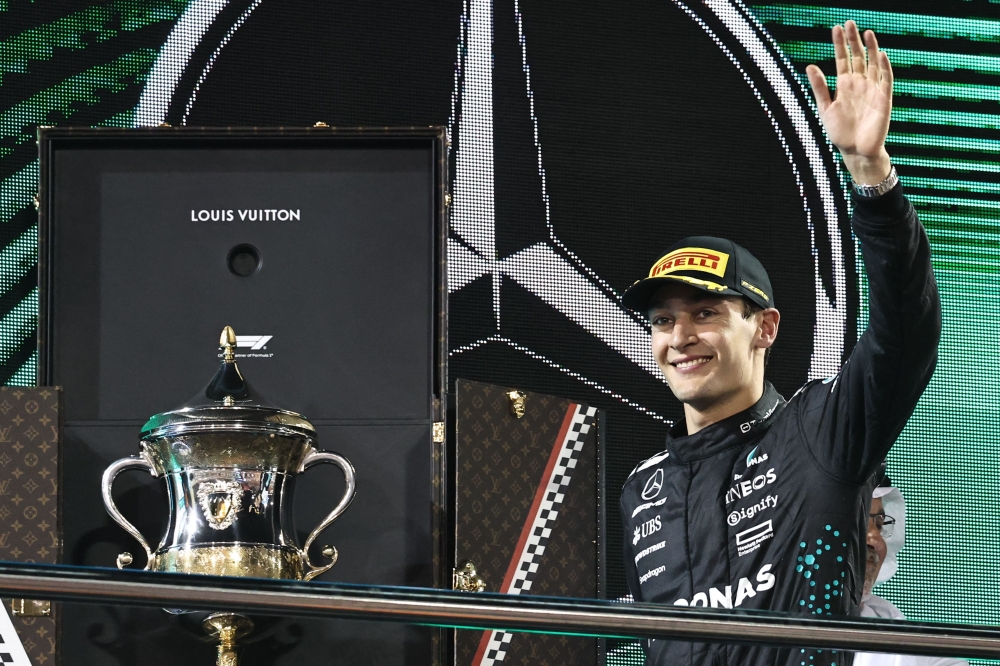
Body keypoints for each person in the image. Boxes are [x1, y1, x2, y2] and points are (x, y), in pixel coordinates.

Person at [618, 20, 941, 666]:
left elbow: (905, 333)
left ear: (764, 328)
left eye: (705, 312)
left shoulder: (819, 432)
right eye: (663, 321)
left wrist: (870, 174)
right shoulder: (640, 490)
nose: (680, 336)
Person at [854, 476, 969, 666]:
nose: (875, 539)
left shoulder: (905, 636)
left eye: (880, 525)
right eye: (858, 524)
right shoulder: (787, 627)